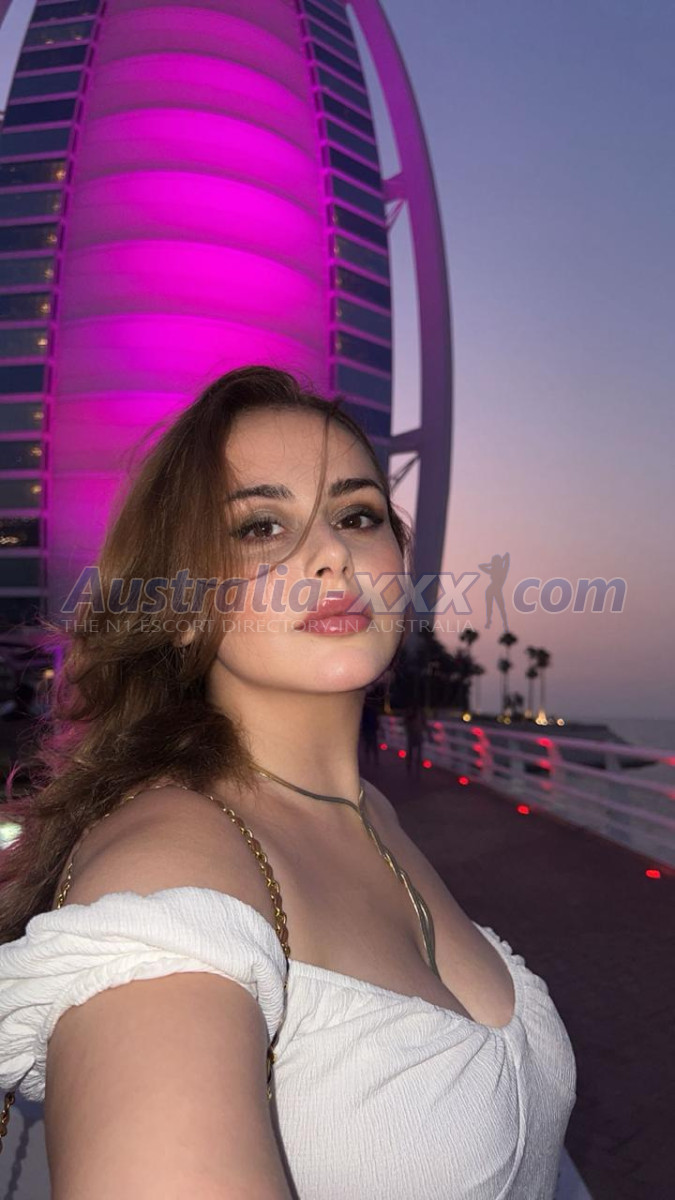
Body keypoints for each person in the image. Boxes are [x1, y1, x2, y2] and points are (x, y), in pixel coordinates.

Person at [0, 366, 576, 1198]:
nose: (331, 553)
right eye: (261, 526)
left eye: (356, 515)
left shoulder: (371, 813)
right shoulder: (168, 864)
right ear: (182, 607)